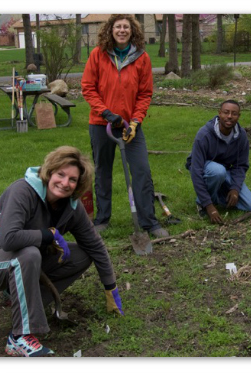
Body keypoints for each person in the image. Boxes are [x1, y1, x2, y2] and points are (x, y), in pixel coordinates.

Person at [0, 146, 124, 357]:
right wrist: (48, 234)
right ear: (50, 172)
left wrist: (110, 287)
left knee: (82, 254)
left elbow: (95, 246)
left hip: (20, 260)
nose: (65, 183)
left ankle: (26, 303)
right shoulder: (23, 191)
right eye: (61, 174)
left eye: (72, 179)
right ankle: (20, 337)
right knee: (29, 253)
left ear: (79, 184)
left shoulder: (71, 207)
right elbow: (8, 239)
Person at [81, 14, 168, 238]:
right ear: (110, 30)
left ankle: (149, 221)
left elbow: (145, 93)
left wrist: (136, 120)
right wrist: (108, 114)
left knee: (141, 171)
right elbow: (88, 88)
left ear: (132, 31)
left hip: (130, 126)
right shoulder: (97, 55)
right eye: (118, 27)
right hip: (102, 124)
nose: (122, 30)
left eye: (126, 27)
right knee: (103, 171)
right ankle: (102, 218)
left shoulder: (142, 58)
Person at [186, 100, 251, 224]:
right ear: (219, 113)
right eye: (226, 112)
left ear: (239, 116)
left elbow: (240, 165)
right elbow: (196, 170)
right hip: (207, 168)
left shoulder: (241, 136)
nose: (229, 116)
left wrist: (235, 188)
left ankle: (219, 195)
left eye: (234, 113)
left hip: (225, 170)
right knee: (218, 171)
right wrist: (209, 206)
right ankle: (203, 203)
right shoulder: (204, 134)